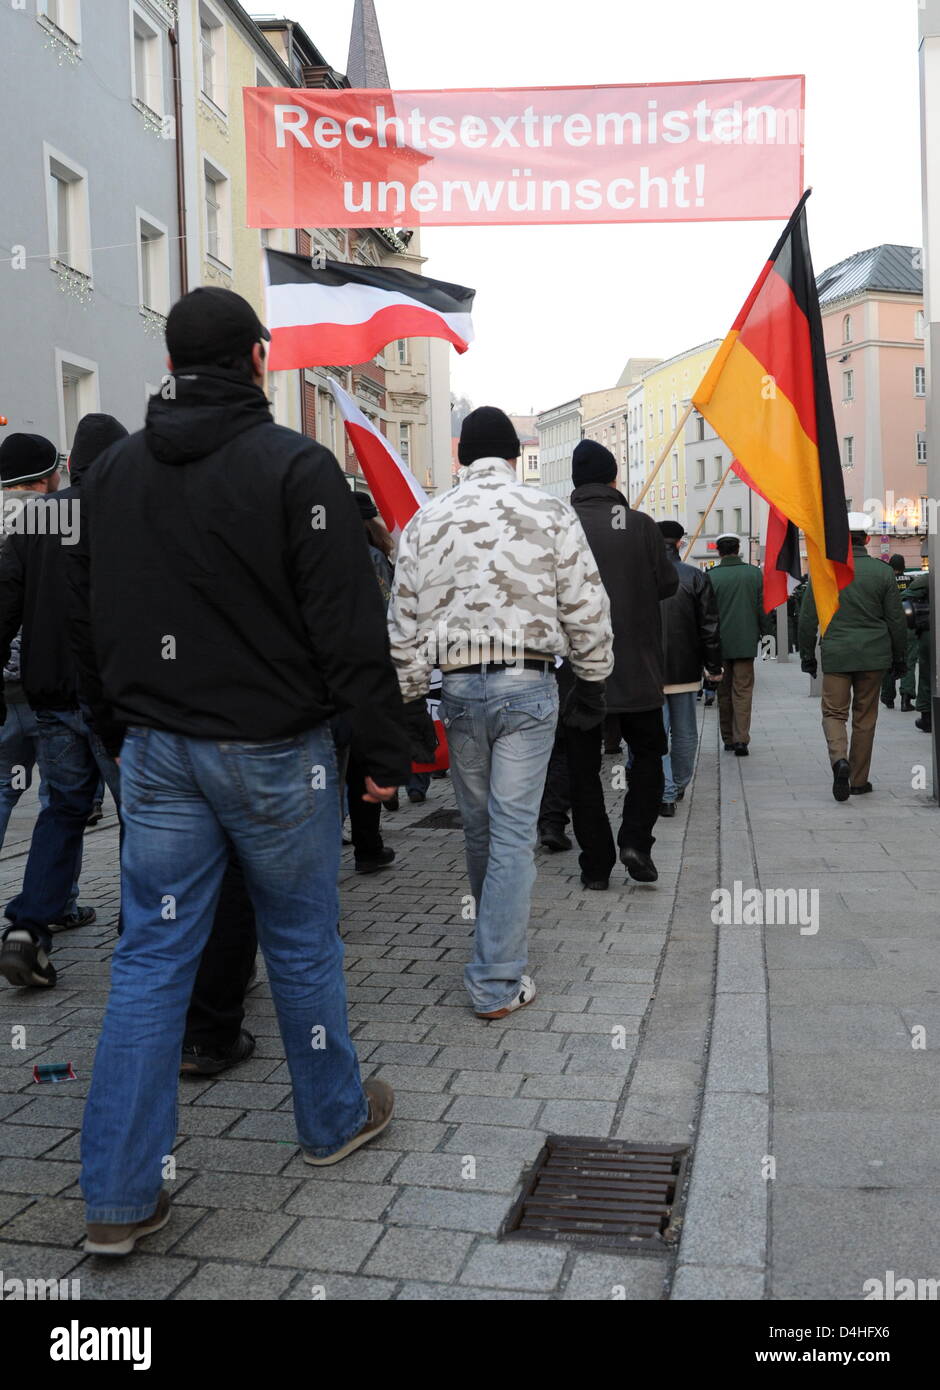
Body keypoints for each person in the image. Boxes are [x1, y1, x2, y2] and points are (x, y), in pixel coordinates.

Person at [67, 288, 413, 1256]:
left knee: (147, 959)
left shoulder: (115, 475)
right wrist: (381, 750)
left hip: (158, 750)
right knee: (301, 938)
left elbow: (89, 619)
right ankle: (334, 1117)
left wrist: (117, 729)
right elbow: (349, 625)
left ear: (176, 362)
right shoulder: (294, 469)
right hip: (273, 752)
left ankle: (120, 1195)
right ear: (258, 360)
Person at [388, 407, 612, 1016]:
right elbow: (587, 604)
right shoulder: (549, 512)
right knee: (514, 832)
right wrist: (592, 682)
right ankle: (496, 977)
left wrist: (410, 699)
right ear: (515, 456)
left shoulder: (426, 520)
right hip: (528, 684)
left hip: (458, 691)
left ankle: (493, 954)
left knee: (482, 828)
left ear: (461, 458)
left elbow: (403, 621)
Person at [0, 430, 116, 986]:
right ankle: (142, 930)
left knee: (61, 812)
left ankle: (28, 930)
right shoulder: (130, 514)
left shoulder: (35, 521)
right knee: (142, 816)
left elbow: (3, 605)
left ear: (71, 465)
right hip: (115, 697)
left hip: (50, 696)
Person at [798, 512, 907, 801]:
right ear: (867, 539)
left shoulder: (825, 571)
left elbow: (807, 617)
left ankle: (839, 760)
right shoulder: (883, 573)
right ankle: (858, 780)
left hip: (836, 654)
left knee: (833, 713)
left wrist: (807, 654)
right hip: (874, 655)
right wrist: (900, 658)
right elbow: (896, 621)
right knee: (865, 716)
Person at [657, 521, 723, 816]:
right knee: (684, 733)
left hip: (649, 671)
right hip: (685, 669)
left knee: (655, 735)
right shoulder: (695, 577)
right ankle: (679, 784)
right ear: (680, 543)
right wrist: (713, 666)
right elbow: (709, 626)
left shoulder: (639, 577)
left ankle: (664, 790)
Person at [707, 533, 773, 756]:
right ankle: (741, 739)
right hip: (745, 643)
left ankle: (727, 737)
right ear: (738, 549)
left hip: (719, 645)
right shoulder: (753, 574)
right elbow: (762, 610)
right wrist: (767, 639)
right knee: (743, 692)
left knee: (723, 693)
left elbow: (705, 615)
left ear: (719, 551)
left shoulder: (711, 576)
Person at [880, 555, 916, 711]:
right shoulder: (910, 581)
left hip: (888, 625)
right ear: (904, 566)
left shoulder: (885, 580)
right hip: (908, 625)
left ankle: (888, 697)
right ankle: (906, 698)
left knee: (888, 660)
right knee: (908, 661)